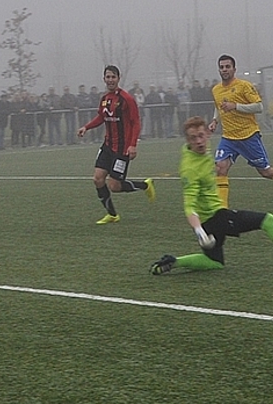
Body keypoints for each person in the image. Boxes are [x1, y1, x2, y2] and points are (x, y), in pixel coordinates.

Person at [150, 116, 273, 274]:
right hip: (215, 217)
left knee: (214, 262)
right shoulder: (190, 169)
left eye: (201, 136)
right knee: (267, 221)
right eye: (193, 138)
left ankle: (173, 262)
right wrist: (199, 231)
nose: (199, 141)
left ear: (208, 134)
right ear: (187, 140)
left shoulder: (194, 151)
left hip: (208, 222)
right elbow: (189, 205)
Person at [77, 65, 155, 225]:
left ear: (118, 79)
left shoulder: (127, 99)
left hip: (122, 149)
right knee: (98, 179)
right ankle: (112, 215)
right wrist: (86, 127)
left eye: (113, 77)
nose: (110, 80)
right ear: (104, 79)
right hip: (107, 146)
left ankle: (144, 186)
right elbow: (101, 118)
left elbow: (135, 123)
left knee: (114, 185)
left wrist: (133, 145)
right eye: (108, 77)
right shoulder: (105, 99)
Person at [209, 54, 273, 208]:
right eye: (222, 67)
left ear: (234, 69)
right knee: (220, 168)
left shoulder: (244, 86)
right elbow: (218, 106)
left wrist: (236, 106)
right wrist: (214, 120)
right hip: (228, 139)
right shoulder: (216, 90)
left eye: (227, 66)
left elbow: (259, 107)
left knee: (266, 173)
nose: (224, 69)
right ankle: (221, 210)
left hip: (248, 136)